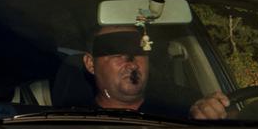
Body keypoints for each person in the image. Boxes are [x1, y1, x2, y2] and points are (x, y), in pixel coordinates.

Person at [83, 25, 229, 120]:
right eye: (116, 53)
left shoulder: (184, 109)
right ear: (90, 64)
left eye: (139, 51)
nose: (131, 64)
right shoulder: (75, 121)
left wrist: (213, 112)